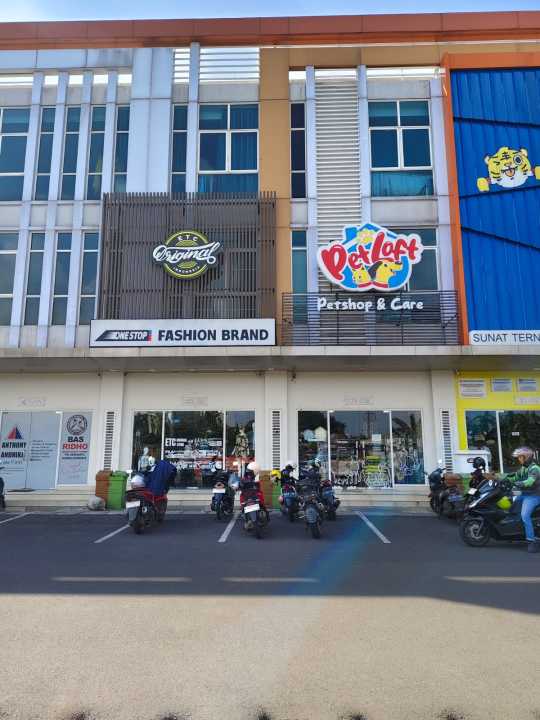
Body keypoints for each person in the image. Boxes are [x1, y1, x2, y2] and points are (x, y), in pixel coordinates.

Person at [509, 447, 540, 553]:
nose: (519, 459)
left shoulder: (535, 468)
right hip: (524, 493)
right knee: (509, 499)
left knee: (525, 515)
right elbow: (515, 477)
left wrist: (519, 483)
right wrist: (500, 479)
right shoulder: (523, 468)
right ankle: (514, 530)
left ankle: (531, 541)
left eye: (520, 457)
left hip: (534, 495)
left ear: (526, 457)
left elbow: (530, 481)